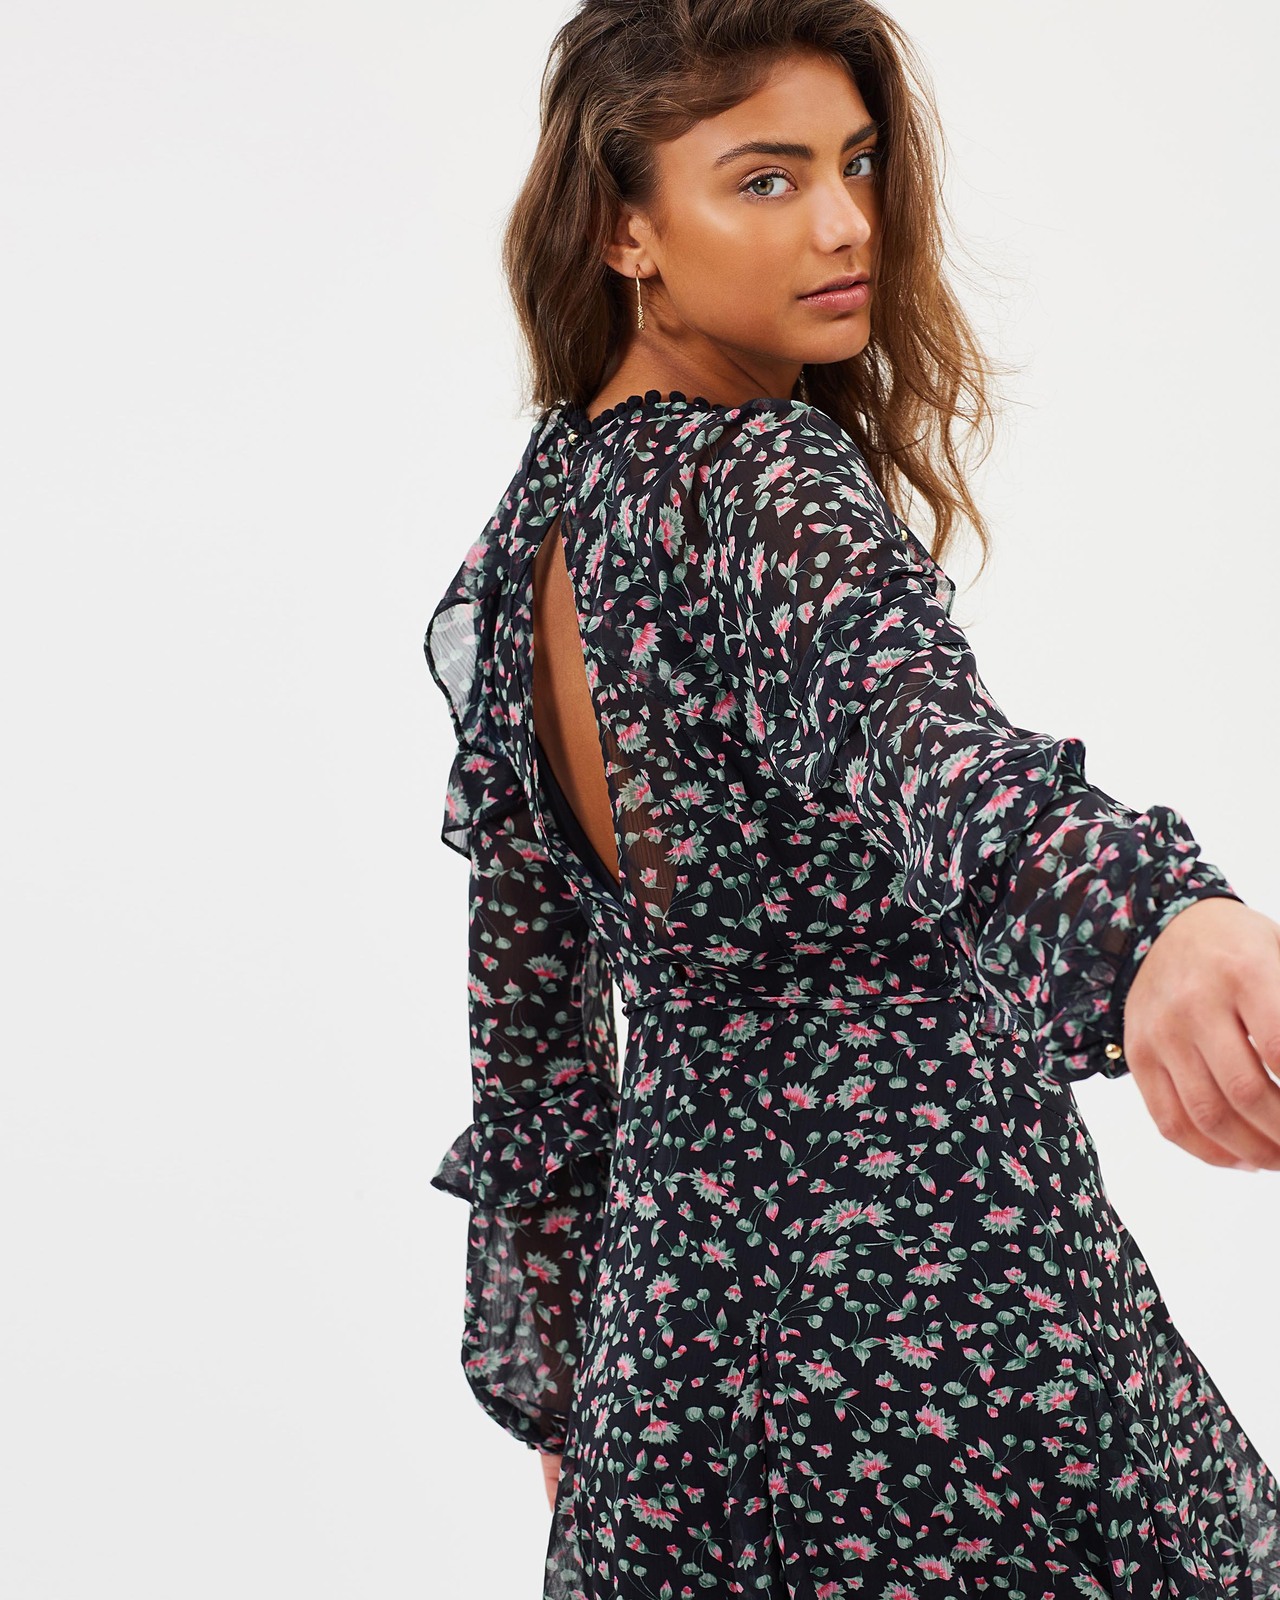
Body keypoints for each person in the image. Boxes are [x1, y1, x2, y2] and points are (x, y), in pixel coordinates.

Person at [424, 2, 1280, 1593]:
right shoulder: (770, 485)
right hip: (937, 1329)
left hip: (673, 1358)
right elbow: (931, 747)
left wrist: (577, 1375)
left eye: (858, 161)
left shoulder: (543, 510)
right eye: (765, 178)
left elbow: (529, 1020)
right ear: (624, 229)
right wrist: (1155, 922)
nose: (845, 224)